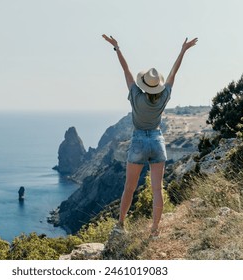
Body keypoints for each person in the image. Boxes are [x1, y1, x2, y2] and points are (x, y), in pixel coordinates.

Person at [102, 34, 198, 238]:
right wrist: (183, 50)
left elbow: (125, 70)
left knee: (129, 187)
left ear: (143, 83)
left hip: (138, 141)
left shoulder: (136, 95)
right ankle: (154, 230)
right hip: (157, 140)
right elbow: (174, 72)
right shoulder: (164, 96)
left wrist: (117, 47)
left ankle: (120, 224)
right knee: (157, 189)